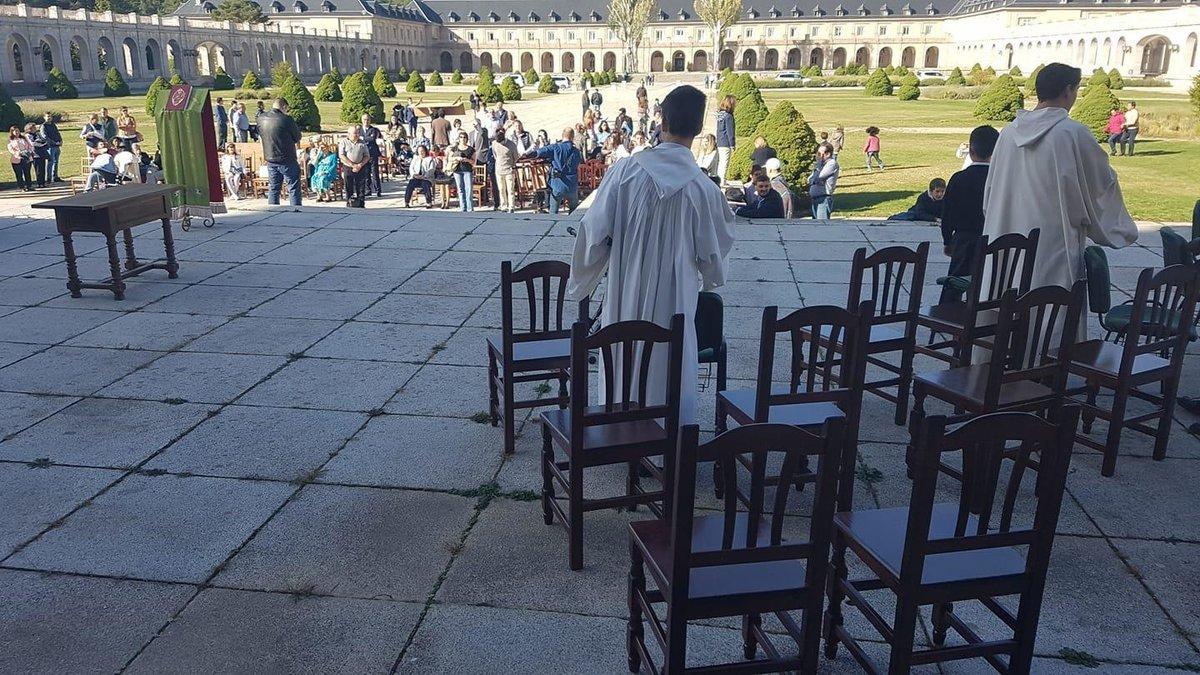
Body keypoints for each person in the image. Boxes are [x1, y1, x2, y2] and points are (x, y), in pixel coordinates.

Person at [566, 85, 735, 424]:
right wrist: (710, 279)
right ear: (700, 128)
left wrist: (584, 278)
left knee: (623, 360)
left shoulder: (624, 173)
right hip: (675, 302)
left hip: (625, 292)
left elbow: (593, 232)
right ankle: (667, 437)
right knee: (669, 364)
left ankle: (619, 431)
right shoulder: (703, 190)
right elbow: (714, 263)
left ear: (662, 120)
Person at [982, 63, 1137, 340]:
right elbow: (1102, 185)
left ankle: (1000, 369)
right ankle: (1044, 370)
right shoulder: (1071, 133)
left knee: (1005, 307)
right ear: (1068, 90)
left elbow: (991, 190)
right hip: (1053, 242)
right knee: (1048, 318)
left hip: (1006, 235)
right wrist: (1120, 227)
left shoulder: (1007, 134)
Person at [939, 125, 999, 303]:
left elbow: (947, 213)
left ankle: (945, 317)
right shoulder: (999, 179)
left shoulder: (959, 178)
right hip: (991, 238)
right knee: (988, 282)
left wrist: (947, 240)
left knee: (955, 283)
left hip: (963, 240)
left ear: (971, 151)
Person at [257, 98, 303, 206]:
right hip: (287, 158)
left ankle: (273, 210)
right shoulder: (286, 119)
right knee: (293, 186)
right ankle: (295, 211)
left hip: (270, 158)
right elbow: (297, 137)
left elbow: (260, 135)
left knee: (273, 187)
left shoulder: (261, 118)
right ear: (284, 107)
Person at [528, 127, 582, 214]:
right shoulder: (576, 151)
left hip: (558, 184)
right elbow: (579, 162)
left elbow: (538, 153)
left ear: (562, 135)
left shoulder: (555, 147)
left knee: (553, 213)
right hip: (572, 185)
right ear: (572, 137)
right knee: (574, 213)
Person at [339, 125, 371, 207]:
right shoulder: (344, 142)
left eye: (357, 133)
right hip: (348, 167)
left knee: (360, 186)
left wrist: (360, 164)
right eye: (354, 133)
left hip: (360, 166)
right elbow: (342, 155)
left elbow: (367, 155)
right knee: (348, 186)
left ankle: (361, 203)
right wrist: (352, 165)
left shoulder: (362, 142)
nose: (357, 135)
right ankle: (349, 202)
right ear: (348, 134)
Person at [808, 142, 840, 219]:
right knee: (814, 226)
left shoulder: (832, 164)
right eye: (818, 153)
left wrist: (818, 165)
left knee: (822, 224)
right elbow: (809, 179)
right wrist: (814, 180)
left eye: (820, 153)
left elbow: (819, 176)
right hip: (815, 198)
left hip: (823, 198)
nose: (818, 156)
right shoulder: (820, 165)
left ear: (828, 154)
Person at [448, 131, 476, 212]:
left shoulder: (471, 149)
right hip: (457, 170)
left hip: (467, 170)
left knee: (469, 189)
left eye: (464, 137)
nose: (462, 139)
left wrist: (467, 160)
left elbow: (474, 161)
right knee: (460, 189)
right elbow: (449, 158)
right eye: (461, 137)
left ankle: (470, 208)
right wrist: (457, 158)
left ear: (467, 139)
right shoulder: (455, 148)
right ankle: (462, 207)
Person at [492, 130, 519, 212]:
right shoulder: (494, 143)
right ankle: (503, 206)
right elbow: (495, 155)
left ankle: (511, 207)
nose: (500, 144)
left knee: (510, 189)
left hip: (509, 170)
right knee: (501, 189)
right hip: (499, 170)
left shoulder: (511, 145)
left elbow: (516, 157)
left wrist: (512, 165)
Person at [359, 113, 384, 197]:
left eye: (368, 120)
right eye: (364, 120)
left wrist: (363, 139)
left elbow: (372, 139)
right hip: (363, 155)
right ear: (362, 120)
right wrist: (364, 139)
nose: (366, 121)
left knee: (375, 173)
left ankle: (378, 190)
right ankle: (368, 190)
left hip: (372, 154)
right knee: (366, 173)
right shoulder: (359, 130)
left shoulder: (373, 130)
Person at [715, 95, 735, 184]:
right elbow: (730, 132)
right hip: (726, 142)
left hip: (720, 140)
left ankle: (720, 179)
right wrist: (732, 145)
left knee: (721, 162)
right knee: (724, 162)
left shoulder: (720, 115)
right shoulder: (728, 116)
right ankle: (722, 180)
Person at [7, 126, 34, 192]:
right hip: (17, 159)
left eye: (18, 131)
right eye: (15, 131)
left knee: (27, 173)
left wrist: (29, 151)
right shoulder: (10, 140)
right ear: (12, 132)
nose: (17, 132)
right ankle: (22, 187)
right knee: (19, 174)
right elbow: (10, 149)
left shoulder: (24, 138)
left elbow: (30, 146)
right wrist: (17, 154)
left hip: (26, 158)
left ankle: (29, 186)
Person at [25, 123, 49, 188]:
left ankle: (43, 182)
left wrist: (43, 143)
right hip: (35, 154)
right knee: (38, 169)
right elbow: (32, 143)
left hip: (41, 153)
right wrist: (40, 144)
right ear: (29, 129)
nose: (35, 129)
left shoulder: (37, 134)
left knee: (42, 169)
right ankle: (39, 183)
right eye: (33, 128)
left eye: (35, 127)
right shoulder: (28, 135)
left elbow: (43, 139)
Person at [40, 112, 62, 183]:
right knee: (50, 162)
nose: (49, 118)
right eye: (47, 116)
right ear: (44, 117)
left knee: (56, 162)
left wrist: (60, 140)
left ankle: (55, 176)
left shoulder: (53, 125)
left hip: (57, 146)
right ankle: (49, 178)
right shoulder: (43, 126)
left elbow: (57, 133)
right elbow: (45, 137)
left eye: (50, 116)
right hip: (50, 147)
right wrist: (54, 142)